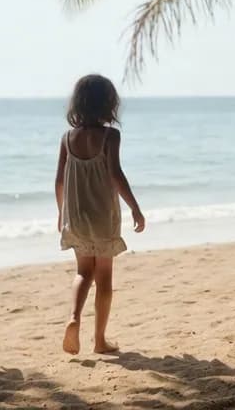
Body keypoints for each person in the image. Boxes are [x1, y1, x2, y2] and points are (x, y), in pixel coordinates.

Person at [56, 74, 146, 355]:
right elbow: (115, 174)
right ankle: (99, 340)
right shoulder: (110, 136)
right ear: (108, 104)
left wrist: (62, 214)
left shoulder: (67, 138)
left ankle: (73, 317)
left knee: (83, 272)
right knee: (104, 278)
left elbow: (59, 180)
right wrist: (134, 206)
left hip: (76, 216)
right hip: (103, 216)